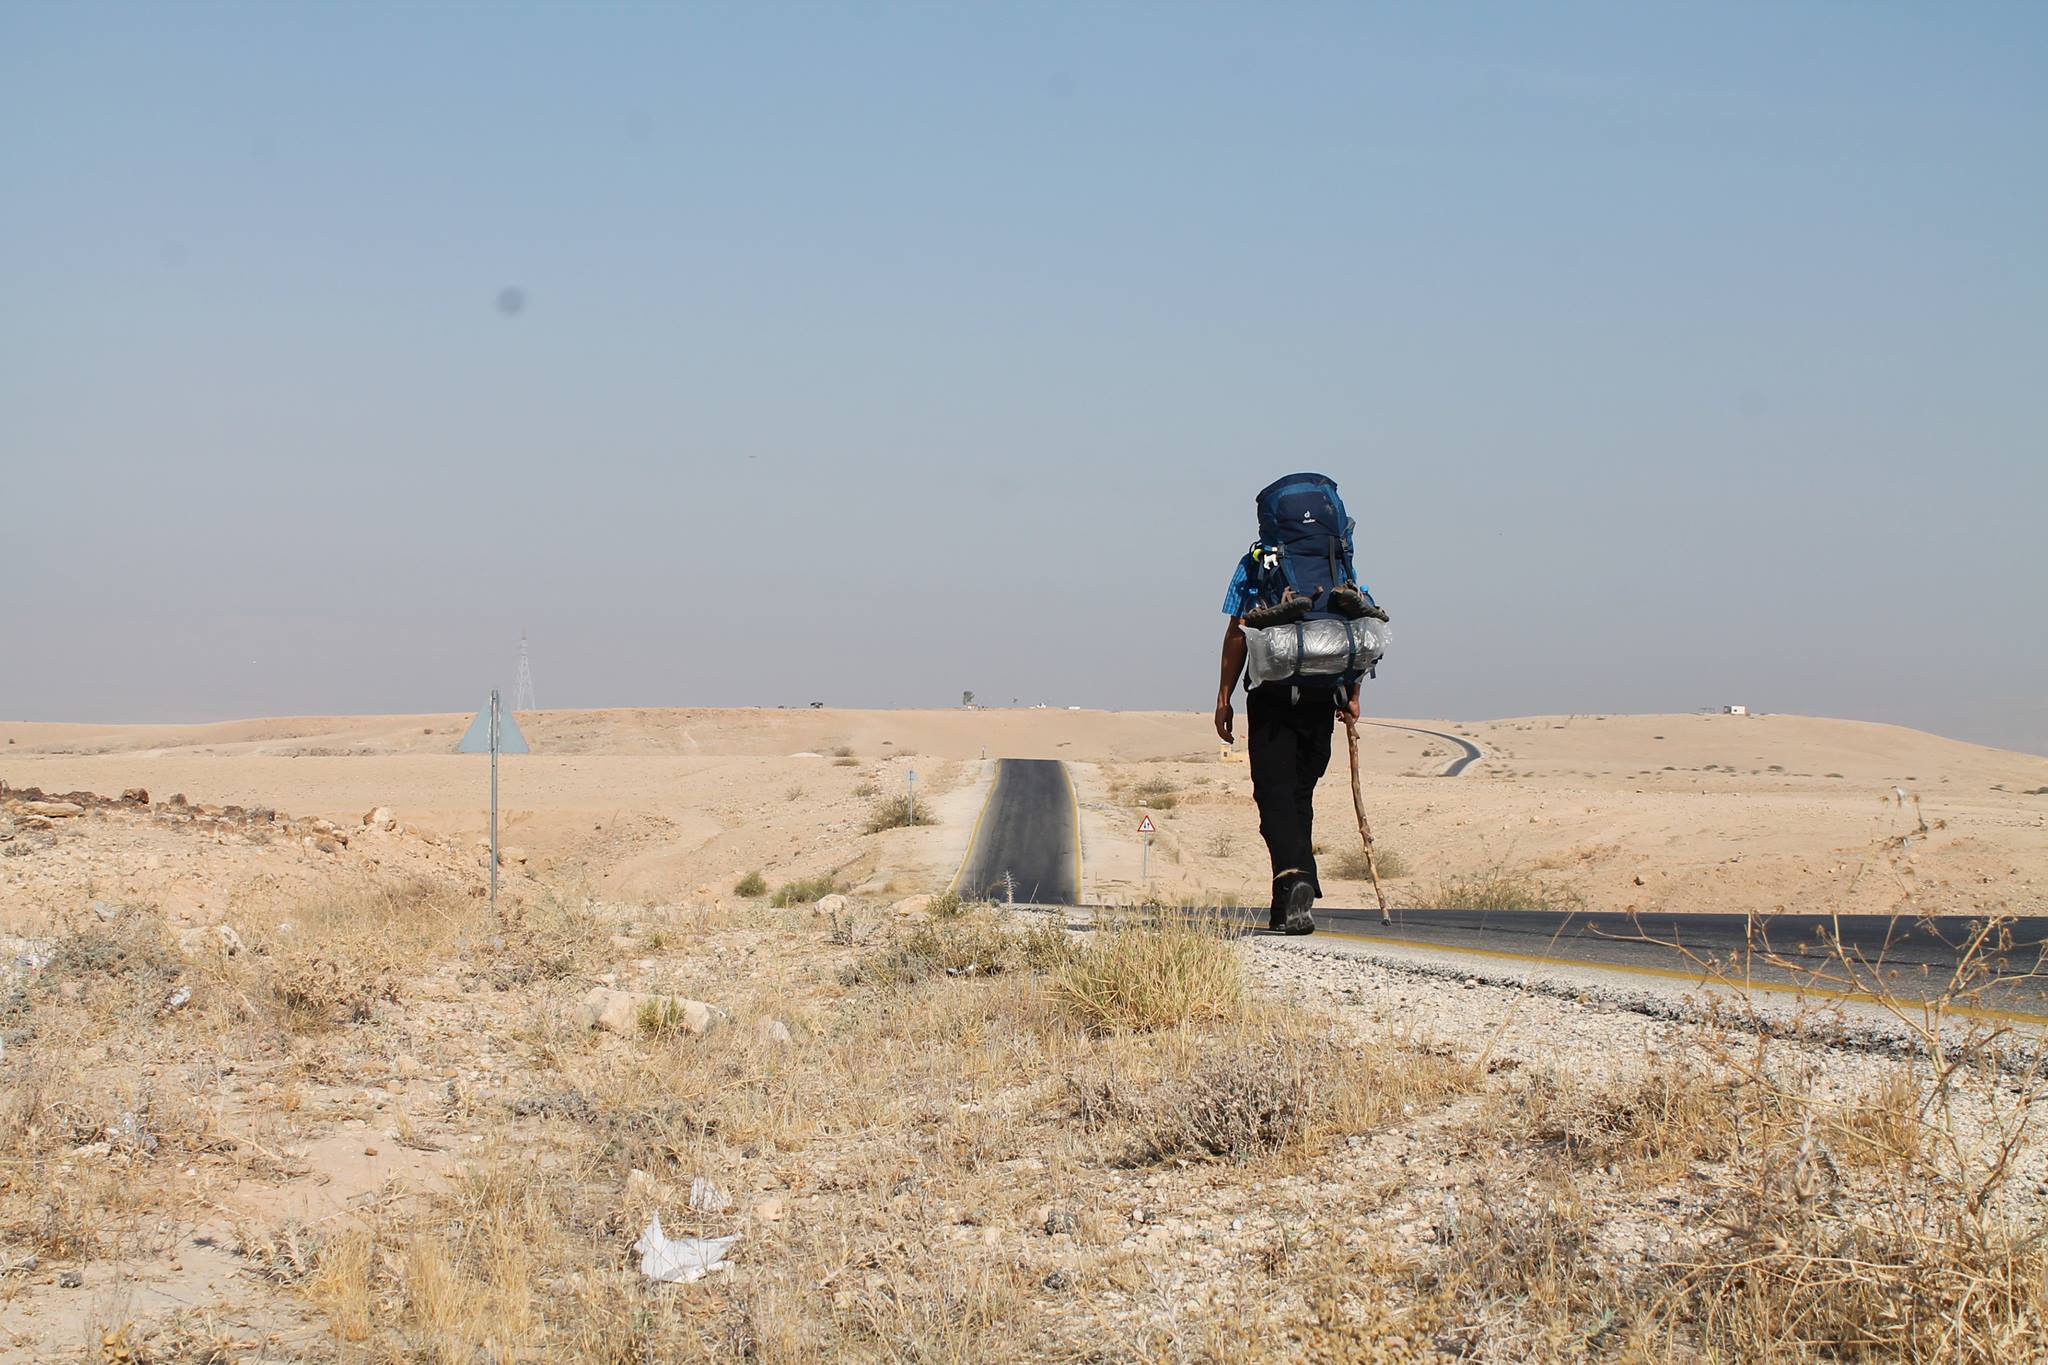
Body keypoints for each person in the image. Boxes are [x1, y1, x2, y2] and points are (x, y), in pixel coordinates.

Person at [1214, 541, 1363, 936]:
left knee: (1274, 796)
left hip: (1272, 693)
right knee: (1298, 796)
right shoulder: (1336, 563)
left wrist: (1224, 697)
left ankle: (1297, 877)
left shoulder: (1257, 563)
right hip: (1323, 693)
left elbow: (1238, 631)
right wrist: (1352, 695)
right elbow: (1355, 628)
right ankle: (1286, 906)